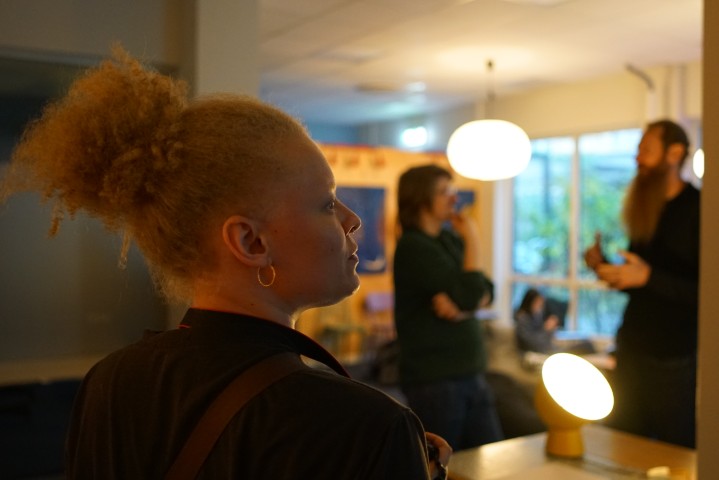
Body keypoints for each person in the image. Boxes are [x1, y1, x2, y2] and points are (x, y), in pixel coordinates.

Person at [0, 47, 452, 479]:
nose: (352, 221)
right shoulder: (365, 426)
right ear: (251, 242)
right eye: (327, 204)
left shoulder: (109, 381)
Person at [584, 119, 700, 448]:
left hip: (673, 355)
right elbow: (639, 279)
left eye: (646, 150)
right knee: (623, 441)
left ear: (674, 153)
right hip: (632, 346)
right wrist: (605, 267)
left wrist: (649, 277)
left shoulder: (700, 209)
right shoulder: (647, 209)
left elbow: (703, 292)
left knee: (673, 449)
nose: (637, 158)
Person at [393, 164, 504, 451]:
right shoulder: (413, 247)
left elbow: (487, 290)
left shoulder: (448, 239)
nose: (455, 198)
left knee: (491, 461)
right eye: (444, 192)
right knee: (444, 463)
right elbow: (473, 292)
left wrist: (465, 308)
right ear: (421, 199)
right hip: (435, 380)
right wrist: (473, 240)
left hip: (471, 372)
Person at [513, 288, 559, 354]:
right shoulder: (522, 319)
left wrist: (551, 329)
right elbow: (532, 343)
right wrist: (546, 329)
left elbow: (545, 342)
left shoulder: (537, 316)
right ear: (530, 302)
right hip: (528, 353)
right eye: (538, 303)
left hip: (539, 351)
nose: (540, 307)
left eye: (541, 305)